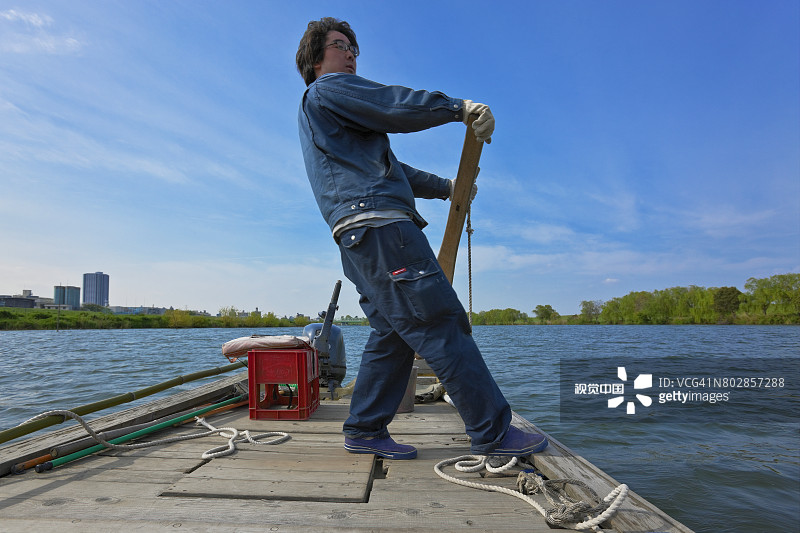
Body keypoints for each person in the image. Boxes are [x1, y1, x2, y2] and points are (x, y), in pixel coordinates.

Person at [296, 17, 547, 460]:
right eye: (340, 45)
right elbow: (393, 104)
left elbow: (397, 171)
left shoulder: (337, 122)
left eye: (354, 47)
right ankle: (493, 434)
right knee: (439, 320)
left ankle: (364, 429)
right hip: (379, 227)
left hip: (357, 237)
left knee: (392, 332)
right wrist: (457, 108)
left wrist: (449, 188)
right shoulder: (329, 89)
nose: (351, 53)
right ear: (316, 59)